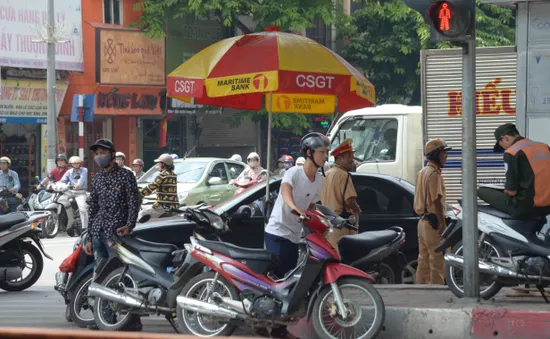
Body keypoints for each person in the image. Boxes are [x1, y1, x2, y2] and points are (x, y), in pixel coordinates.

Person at [263, 133, 328, 339]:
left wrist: (326, 218)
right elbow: (286, 192)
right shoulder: (293, 172)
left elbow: (311, 205)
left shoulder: (318, 179)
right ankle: (273, 327)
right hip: (277, 232)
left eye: (326, 153)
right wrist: (293, 208)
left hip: (294, 235)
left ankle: (279, 326)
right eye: (322, 152)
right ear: (309, 153)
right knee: (278, 281)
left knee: (289, 282)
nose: (326, 156)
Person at [83, 138, 140, 277]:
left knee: (118, 272)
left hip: (117, 233)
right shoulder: (97, 178)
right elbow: (93, 209)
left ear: (112, 154)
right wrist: (89, 237)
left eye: (103, 152)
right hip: (98, 232)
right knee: (100, 271)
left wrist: (129, 225)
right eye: (96, 154)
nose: (99, 156)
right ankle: (100, 299)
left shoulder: (126, 175)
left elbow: (134, 202)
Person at [478, 123, 550, 219]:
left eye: (502, 146)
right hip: (547, 207)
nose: (504, 149)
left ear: (505, 138)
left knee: (479, 191)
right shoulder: (544, 147)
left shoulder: (511, 152)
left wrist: (506, 190)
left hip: (526, 207)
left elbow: (511, 191)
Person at [413, 138, 451, 285]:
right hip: (433, 223)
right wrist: (442, 223)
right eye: (443, 153)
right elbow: (436, 201)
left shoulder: (422, 172)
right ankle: (436, 291)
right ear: (435, 155)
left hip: (422, 222)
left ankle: (420, 290)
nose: (446, 156)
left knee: (423, 260)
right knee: (437, 261)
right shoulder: (434, 174)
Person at [320, 138, 362, 254]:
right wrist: (357, 209)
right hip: (341, 225)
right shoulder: (344, 175)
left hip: (327, 224)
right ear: (339, 158)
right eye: (348, 157)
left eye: (352, 157)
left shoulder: (326, 174)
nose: (352, 160)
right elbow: (349, 200)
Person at [138, 154, 178, 220]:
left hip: (163, 207)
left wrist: (140, 192)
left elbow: (152, 186)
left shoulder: (163, 175)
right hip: (173, 206)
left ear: (163, 164)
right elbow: (166, 188)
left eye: (159, 163)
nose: (158, 165)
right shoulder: (173, 175)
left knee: (141, 214)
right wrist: (155, 191)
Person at [59, 156, 89, 229]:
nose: (76, 165)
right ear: (71, 164)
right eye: (74, 163)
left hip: (80, 192)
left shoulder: (84, 170)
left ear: (80, 164)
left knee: (83, 209)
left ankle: (85, 227)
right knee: (59, 199)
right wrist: (57, 185)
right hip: (70, 192)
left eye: (77, 163)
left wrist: (78, 185)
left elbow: (82, 179)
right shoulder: (69, 172)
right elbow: (62, 181)